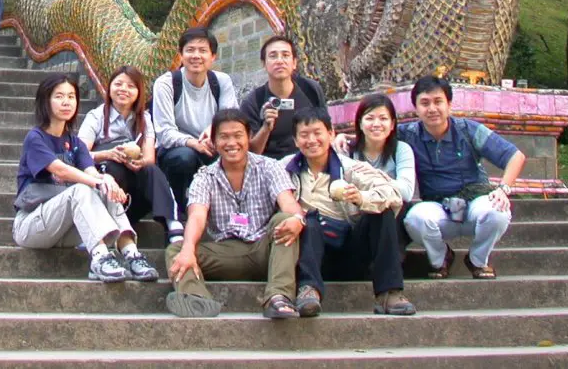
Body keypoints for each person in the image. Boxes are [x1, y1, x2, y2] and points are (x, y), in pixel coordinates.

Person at [13, 74, 158, 283]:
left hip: (65, 231)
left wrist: (105, 180)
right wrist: (99, 181)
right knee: (84, 188)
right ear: (46, 100)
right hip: (31, 226)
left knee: (105, 186)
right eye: (59, 96)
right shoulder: (35, 138)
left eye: (71, 97)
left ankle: (131, 254)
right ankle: (100, 258)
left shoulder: (75, 143)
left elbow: (91, 172)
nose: (66, 102)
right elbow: (60, 170)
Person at [165, 107, 305, 320]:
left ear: (249, 137)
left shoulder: (269, 167)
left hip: (265, 248)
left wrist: (297, 219)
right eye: (224, 137)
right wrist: (187, 249)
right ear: (213, 141)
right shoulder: (205, 176)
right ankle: (197, 300)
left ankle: (279, 297)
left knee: (285, 220)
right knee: (177, 250)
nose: (232, 143)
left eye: (238, 135)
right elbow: (197, 216)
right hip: (226, 252)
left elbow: (288, 202)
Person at [281, 107, 415, 317]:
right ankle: (309, 290)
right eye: (304, 135)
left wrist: (361, 198)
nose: (312, 140)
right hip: (309, 251)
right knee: (310, 220)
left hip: (351, 249)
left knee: (383, 211)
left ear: (331, 134)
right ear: (296, 140)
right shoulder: (284, 169)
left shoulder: (352, 168)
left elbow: (393, 194)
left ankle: (389, 292)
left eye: (318, 133)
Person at [400, 75, 527, 280]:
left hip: (475, 203)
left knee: (498, 212)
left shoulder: (468, 130)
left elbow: (515, 156)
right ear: (416, 108)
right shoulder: (407, 134)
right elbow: (372, 138)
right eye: (425, 103)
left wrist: (504, 189)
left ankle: (477, 260)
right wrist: (344, 138)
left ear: (449, 104)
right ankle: (441, 259)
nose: (432, 109)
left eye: (438, 101)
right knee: (415, 219)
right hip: (438, 207)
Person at [79, 66, 184, 244]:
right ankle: (100, 226)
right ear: (109, 87)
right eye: (118, 84)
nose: (124, 90)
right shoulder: (96, 117)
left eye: (130, 86)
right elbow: (80, 154)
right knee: (112, 166)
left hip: (133, 197)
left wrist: (140, 162)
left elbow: (149, 157)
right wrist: (107, 153)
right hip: (106, 192)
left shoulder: (144, 119)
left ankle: (172, 222)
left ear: (139, 92)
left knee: (151, 169)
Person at [151, 27, 239, 217]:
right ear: (181, 55)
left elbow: (229, 119)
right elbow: (165, 132)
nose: (196, 56)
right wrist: (194, 143)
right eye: (190, 50)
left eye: (202, 50)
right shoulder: (166, 83)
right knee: (184, 157)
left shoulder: (222, 82)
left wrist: (212, 130)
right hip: (177, 150)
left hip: (212, 145)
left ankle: (228, 212)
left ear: (213, 56)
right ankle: (180, 210)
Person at [240, 35, 327, 160]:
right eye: (273, 56)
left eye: (285, 55)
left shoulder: (310, 89)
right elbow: (251, 154)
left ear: (294, 63)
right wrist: (266, 128)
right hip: (271, 167)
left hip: (309, 161)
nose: (280, 61)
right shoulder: (254, 101)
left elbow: (326, 128)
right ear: (264, 64)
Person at [349, 93, 416, 205]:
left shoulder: (401, 149)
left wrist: (375, 174)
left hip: (391, 211)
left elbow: (407, 192)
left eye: (383, 118)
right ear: (360, 123)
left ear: (392, 124)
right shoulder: (347, 150)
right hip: (357, 213)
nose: (376, 124)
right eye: (370, 118)